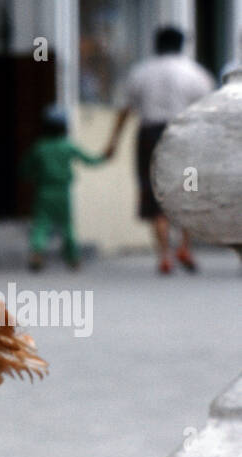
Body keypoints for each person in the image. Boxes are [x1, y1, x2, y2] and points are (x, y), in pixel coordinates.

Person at [104, 26, 215, 274]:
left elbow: (125, 110)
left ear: (156, 44)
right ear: (181, 44)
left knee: (153, 193)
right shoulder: (196, 74)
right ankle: (185, 246)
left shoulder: (141, 72)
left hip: (150, 136)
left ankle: (165, 254)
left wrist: (113, 142)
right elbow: (209, 113)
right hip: (186, 135)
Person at [21, 106, 107, 270]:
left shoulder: (40, 147)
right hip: (62, 191)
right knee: (67, 225)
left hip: (44, 190)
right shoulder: (67, 146)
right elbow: (89, 160)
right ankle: (72, 258)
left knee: (41, 224)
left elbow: (25, 169)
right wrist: (104, 157)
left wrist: (32, 178)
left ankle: (37, 253)